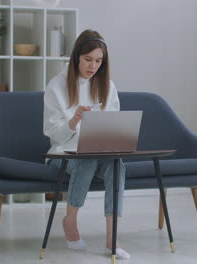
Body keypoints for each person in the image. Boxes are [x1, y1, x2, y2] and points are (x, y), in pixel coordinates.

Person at [43, 29, 130, 260]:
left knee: (116, 164)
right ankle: (70, 221)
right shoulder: (56, 85)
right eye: (88, 60)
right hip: (62, 154)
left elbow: (114, 126)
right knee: (86, 158)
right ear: (76, 58)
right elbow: (52, 133)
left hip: (98, 152)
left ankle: (113, 237)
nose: (93, 66)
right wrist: (74, 121)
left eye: (98, 61)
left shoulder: (107, 86)